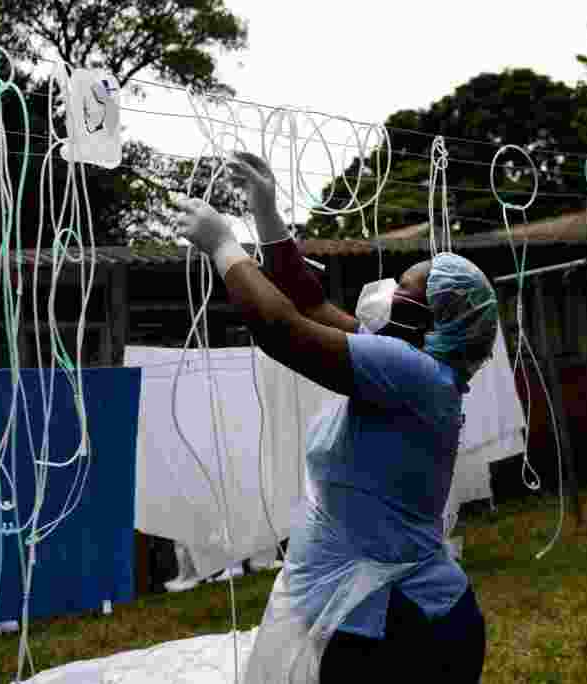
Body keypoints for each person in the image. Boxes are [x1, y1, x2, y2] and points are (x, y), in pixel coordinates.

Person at [175, 152, 497, 684]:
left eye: (404, 288)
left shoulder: (411, 372)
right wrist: (266, 210)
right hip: (380, 609)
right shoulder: (411, 367)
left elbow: (282, 327)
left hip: (400, 623)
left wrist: (222, 245)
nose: (387, 292)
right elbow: (307, 302)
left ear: (428, 319)